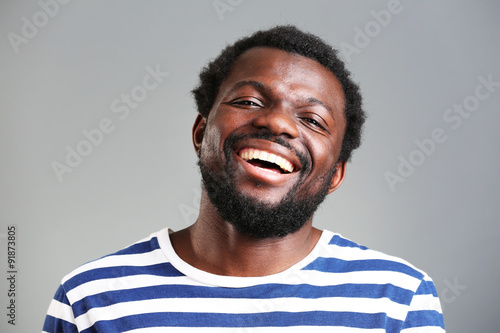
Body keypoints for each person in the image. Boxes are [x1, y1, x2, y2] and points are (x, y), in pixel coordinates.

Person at [43, 25, 445, 332]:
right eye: (249, 101)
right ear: (201, 134)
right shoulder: (90, 298)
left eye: (312, 120)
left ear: (335, 174)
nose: (276, 122)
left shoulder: (397, 299)